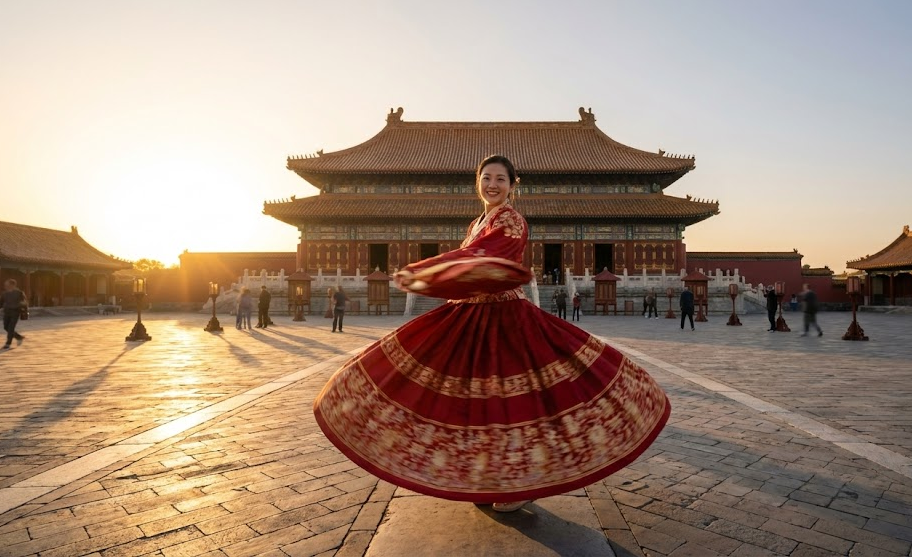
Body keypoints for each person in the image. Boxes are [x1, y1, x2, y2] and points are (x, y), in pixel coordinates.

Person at [313, 155, 670, 514]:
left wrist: (428, 270)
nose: (493, 185)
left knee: (511, 402)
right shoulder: (477, 222)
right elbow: (468, 256)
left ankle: (520, 482)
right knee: (472, 401)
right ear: (477, 182)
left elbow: (485, 258)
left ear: (514, 185)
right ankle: (483, 478)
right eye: (486, 178)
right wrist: (434, 271)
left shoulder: (511, 220)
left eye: (501, 179)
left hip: (505, 320)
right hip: (470, 317)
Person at [1, 279, 27, 349]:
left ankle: (8, 343)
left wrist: (24, 311)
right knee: (6, 327)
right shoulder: (4, 293)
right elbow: (1, 302)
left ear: (13, 285)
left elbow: (24, 302)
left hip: (15, 312)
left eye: (7, 285)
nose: (6, 286)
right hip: (7, 312)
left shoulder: (19, 293)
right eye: (5, 285)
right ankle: (18, 337)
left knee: (11, 327)